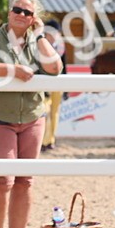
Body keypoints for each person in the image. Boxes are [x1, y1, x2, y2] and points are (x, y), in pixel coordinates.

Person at [0, 0, 63, 228]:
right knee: (1, 180)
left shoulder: (37, 42)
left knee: (25, 181)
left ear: (34, 18)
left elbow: (55, 68)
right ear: (9, 11)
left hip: (32, 117)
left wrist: (39, 36)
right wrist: (13, 70)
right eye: (17, 9)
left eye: (27, 12)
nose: (21, 15)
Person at [39, 18, 69, 152]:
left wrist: (66, 86)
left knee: (55, 113)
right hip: (44, 83)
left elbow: (65, 66)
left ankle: (51, 140)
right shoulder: (40, 45)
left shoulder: (60, 46)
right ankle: (43, 140)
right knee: (45, 110)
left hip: (58, 83)